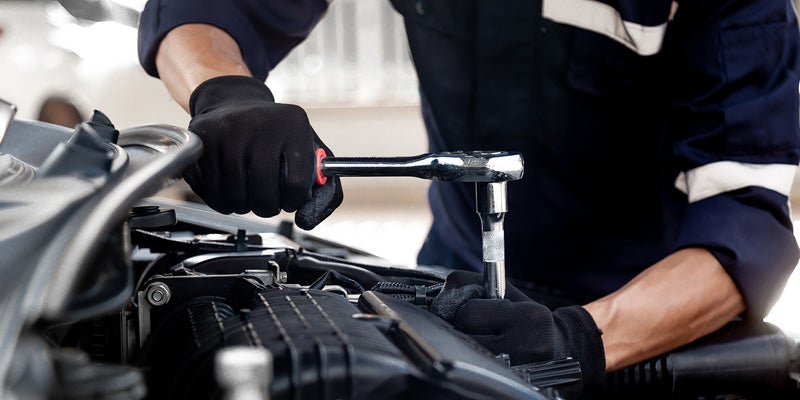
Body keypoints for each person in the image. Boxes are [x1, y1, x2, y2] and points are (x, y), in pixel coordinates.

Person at [137, 0, 800, 397]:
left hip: (640, 319)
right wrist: (227, 92)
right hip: (452, 286)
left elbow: (748, 218)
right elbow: (208, 11)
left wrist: (586, 338)